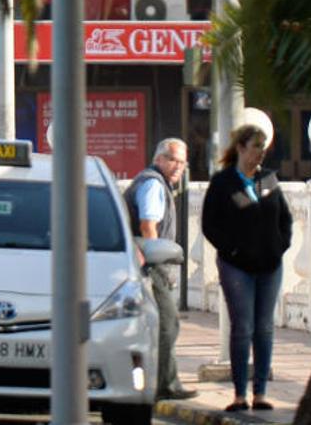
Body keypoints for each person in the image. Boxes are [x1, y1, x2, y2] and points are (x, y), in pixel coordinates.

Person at [201, 125, 292, 412]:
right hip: (237, 265)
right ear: (240, 148)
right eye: (255, 147)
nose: (259, 154)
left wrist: (280, 245)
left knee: (264, 328)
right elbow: (210, 224)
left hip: (269, 264)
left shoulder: (267, 180)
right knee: (243, 327)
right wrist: (231, 250)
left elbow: (285, 218)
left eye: (263, 148)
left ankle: (261, 392)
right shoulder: (224, 182)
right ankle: (239, 393)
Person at [123, 138, 197, 401]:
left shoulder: (154, 182)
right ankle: (165, 384)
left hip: (146, 265)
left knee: (160, 325)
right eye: (173, 160)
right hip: (152, 266)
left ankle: (161, 381)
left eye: (182, 161)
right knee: (167, 324)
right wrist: (157, 261)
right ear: (159, 159)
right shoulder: (153, 184)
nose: (178, 166)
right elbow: (148, 226)